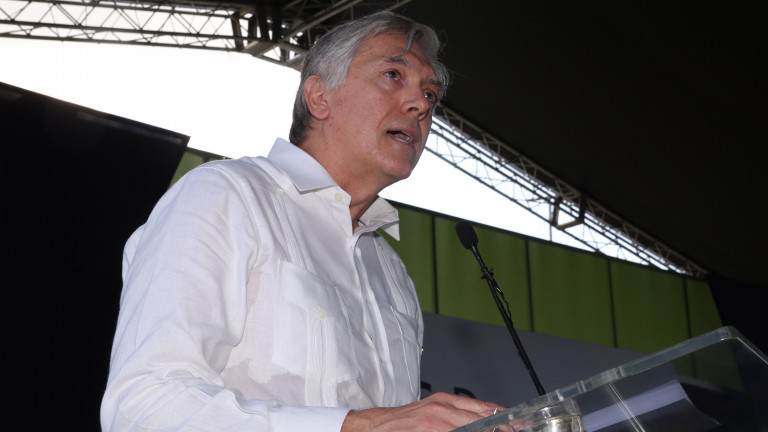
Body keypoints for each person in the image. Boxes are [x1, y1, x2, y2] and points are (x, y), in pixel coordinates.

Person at [101, 10, 499, 432]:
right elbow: (143, 406)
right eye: (392, 75)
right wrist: (359, 426)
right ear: (319, 97)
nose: (420, 105)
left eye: (430, 94)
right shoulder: (227, 196)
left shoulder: (391, 272)